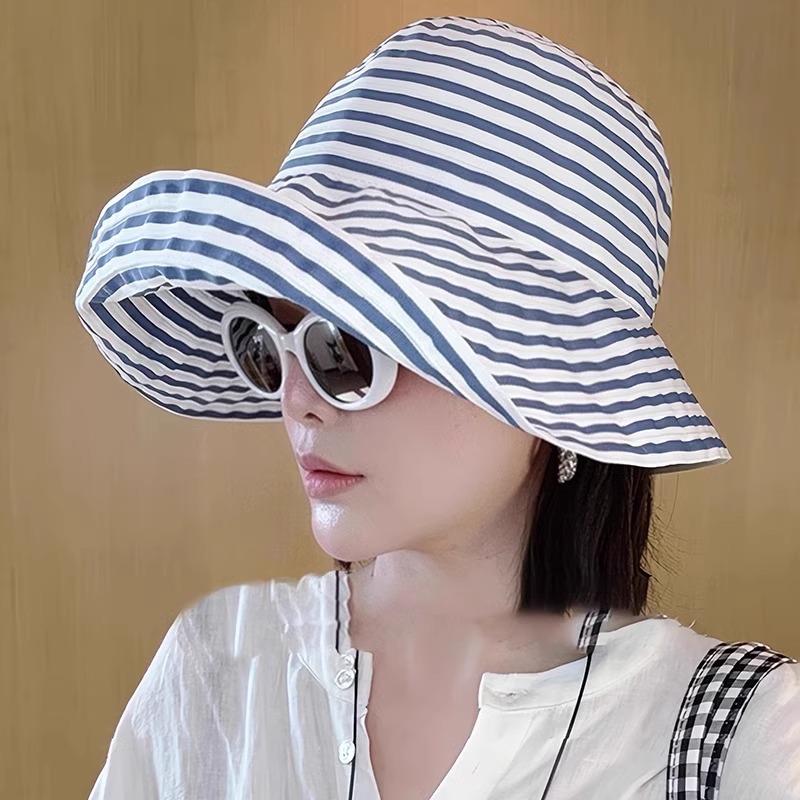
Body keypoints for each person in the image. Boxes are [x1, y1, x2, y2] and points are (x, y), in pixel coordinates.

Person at [76, 15, 799, 800]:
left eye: (348, 348)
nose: (297, 402)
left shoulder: (740, 741)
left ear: (553, 390)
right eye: (265, 343)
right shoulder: (219, 678)